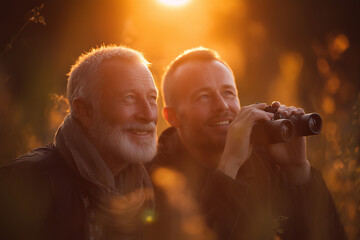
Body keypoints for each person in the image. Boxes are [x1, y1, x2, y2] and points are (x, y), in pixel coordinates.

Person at [147, 47, 347, 240]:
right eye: (204, 96)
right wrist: (229, 166)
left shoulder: (263, 160)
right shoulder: (153, 178)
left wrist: (298, 171)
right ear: (172, 116)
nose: (223, 106)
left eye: (228, 93)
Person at [0, 45, 159, 240]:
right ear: (84, 111)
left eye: (152, 99)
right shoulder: (26, 182)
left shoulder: (144, 187)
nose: (149, 114)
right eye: (129, 98)